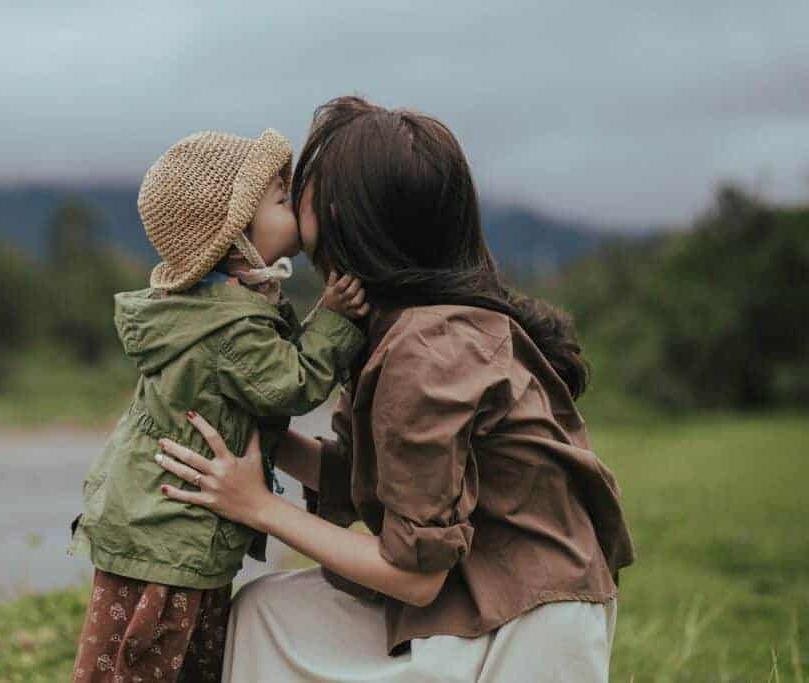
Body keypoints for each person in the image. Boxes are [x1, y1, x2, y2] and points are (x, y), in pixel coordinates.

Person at [154, 97, 636, 682]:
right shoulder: (403, 323)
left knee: (272, 619)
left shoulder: (426, 348)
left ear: (339, 212)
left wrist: (258, 505)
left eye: (296, 191)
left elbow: (413, 572)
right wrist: (257, 434)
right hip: (482, 591)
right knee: (266, 613)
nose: (288, 199)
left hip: (525, 626)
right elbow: (373, 481)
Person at [67, 128, 370, 682]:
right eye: (280, 200)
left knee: (168, 660)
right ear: (236, 239)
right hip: (168, 537)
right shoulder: (228, 324)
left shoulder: (218, 308)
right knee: (154, 662)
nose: (293, 204)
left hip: (163, 526)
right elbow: (288, 384)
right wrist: (335, 322)